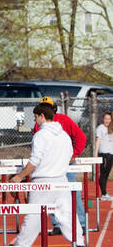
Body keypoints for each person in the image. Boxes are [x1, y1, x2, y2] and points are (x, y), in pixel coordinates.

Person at [8, 102, 85, 247]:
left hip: (43, 181)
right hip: (61, 180)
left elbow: (35, 160)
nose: (35, 120)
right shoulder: (63, 135)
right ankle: (79, 244)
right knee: (67, 213)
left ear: (42, 116)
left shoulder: (41, 135)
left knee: (34, 215)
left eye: (36, 117)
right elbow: (70, 155)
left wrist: (20, 176)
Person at [33, 96, 87, 236]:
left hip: (65, 163)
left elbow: (81, 137)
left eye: (47, 107)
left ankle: (80, 223)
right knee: (52, 194)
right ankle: (58, 224)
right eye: (42, 107)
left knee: (72, 191)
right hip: (50, 165)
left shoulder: (64, 120)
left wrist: (73, 154)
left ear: (53, 109)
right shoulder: (38, 124)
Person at [97, 110, 112, 201]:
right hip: (104, 153)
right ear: (103, 119)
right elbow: (98, 141)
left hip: (111, 154)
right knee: (103, 173)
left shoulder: (111, 128)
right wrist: (95, 154)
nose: (107, 121)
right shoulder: (100, 128)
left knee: (106, 174)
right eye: (106, 119)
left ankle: (105, 192)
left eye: (109, 119)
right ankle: (103, 193)